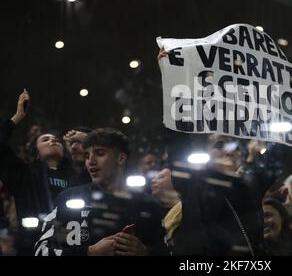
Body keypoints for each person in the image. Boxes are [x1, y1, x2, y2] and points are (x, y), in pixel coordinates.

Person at [34, 128, 167, 256]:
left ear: (121, 158)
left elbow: (169, 251)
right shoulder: (67, 198)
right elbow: (41, 251)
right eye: (87, 155)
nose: (90, 161)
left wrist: (145, 253)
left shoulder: (148, 205)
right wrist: (89, 253)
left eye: (100, 153)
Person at [0, 91, 75, 254]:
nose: (52, 140)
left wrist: (83, 138)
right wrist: (17, 116)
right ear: (36, 152)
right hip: (34, 248)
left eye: (56, 139)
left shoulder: (75, 178)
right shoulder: (24, 175)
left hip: (75, 248)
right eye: (45, 139)